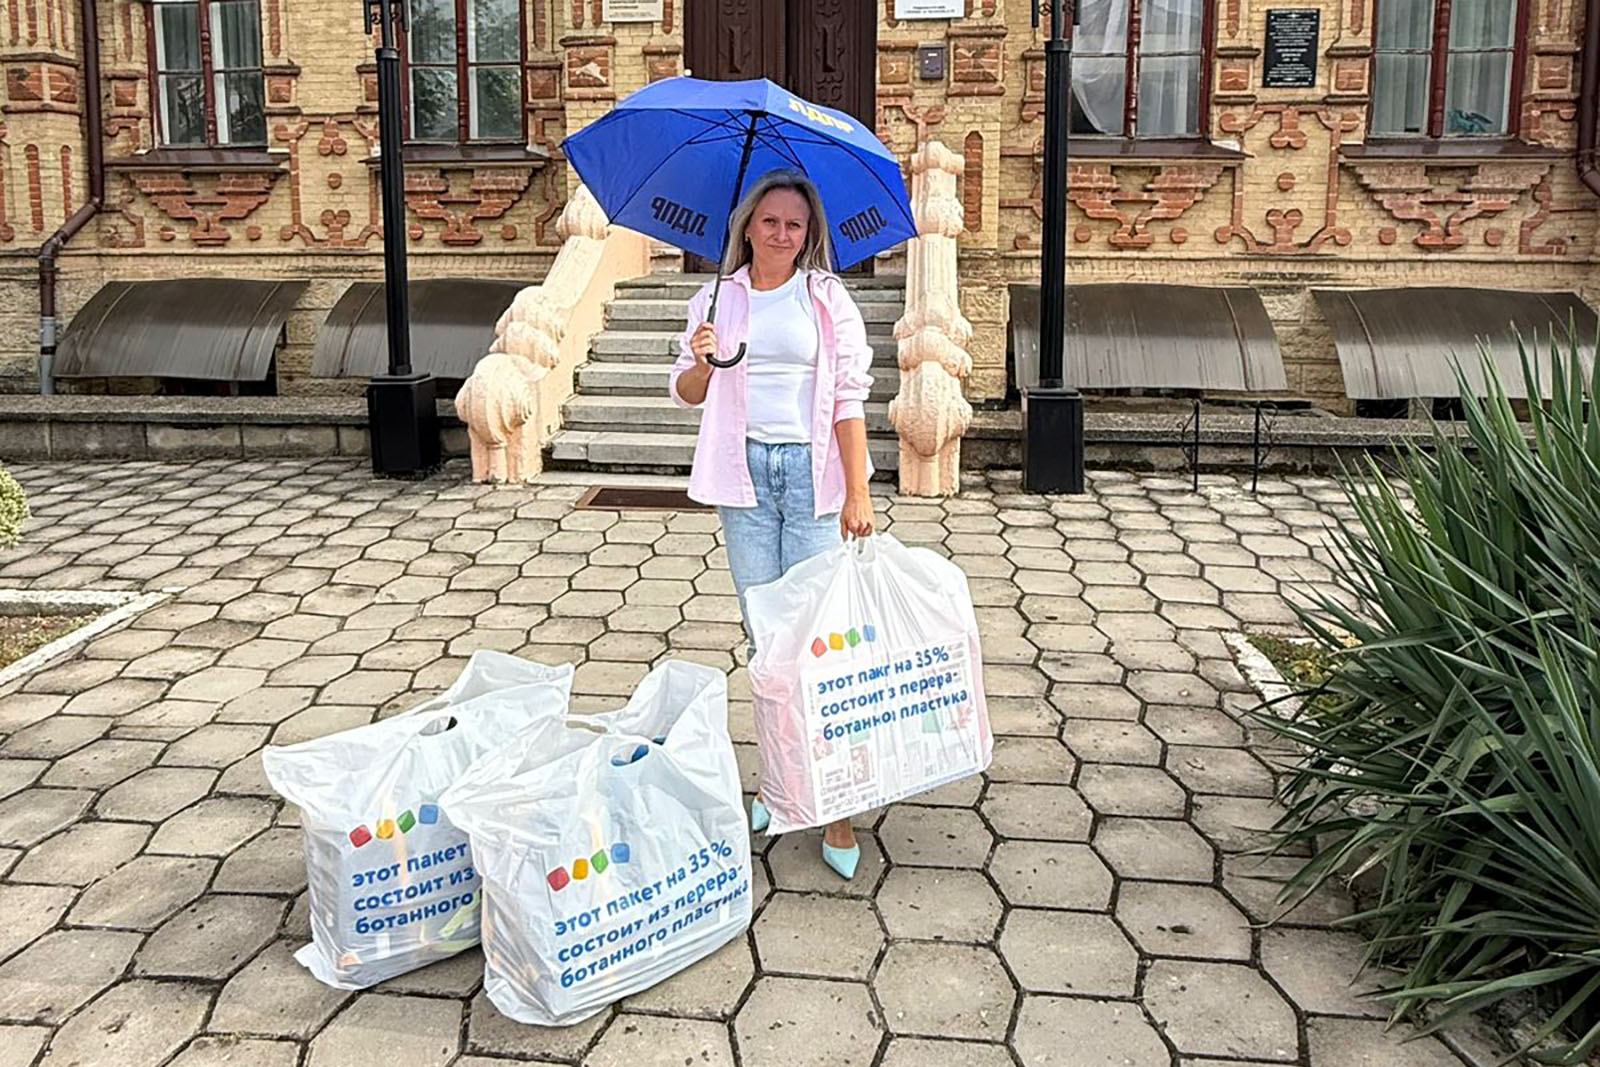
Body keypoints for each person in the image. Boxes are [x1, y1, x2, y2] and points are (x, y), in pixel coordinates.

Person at [668, 168, 876, 881]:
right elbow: (687, 392)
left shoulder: (827, 299)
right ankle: (779, 786)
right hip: (746, 481)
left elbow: (848, 396)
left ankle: (836, 804)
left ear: (808, 232)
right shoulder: (715, 299)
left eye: (795, 223)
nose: (782, 233)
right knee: (766, 643)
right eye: (770, 221)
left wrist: (858, 490)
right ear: (748, 227)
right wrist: (701, 362)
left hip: (812, 480)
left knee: (817, 645)